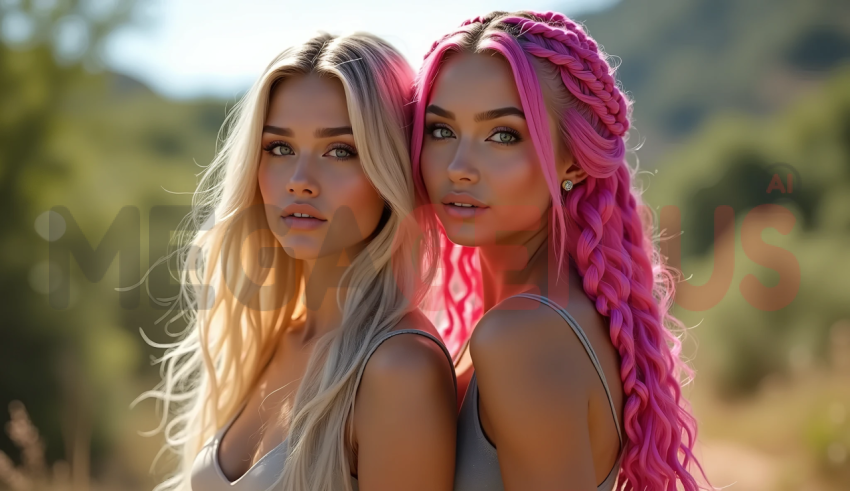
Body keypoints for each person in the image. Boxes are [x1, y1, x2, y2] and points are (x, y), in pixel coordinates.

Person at [135, 32, 457, 491]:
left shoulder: (398, 367)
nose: (300, 181)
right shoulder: (271, 335)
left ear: (391, 169)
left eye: (340, 150)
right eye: (280, 148)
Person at [411, 11, 713, 491]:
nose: (459, 166)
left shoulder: (522, 337)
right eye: (440, 130)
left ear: (572, 158)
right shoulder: (552, 315)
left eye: (503, 135)